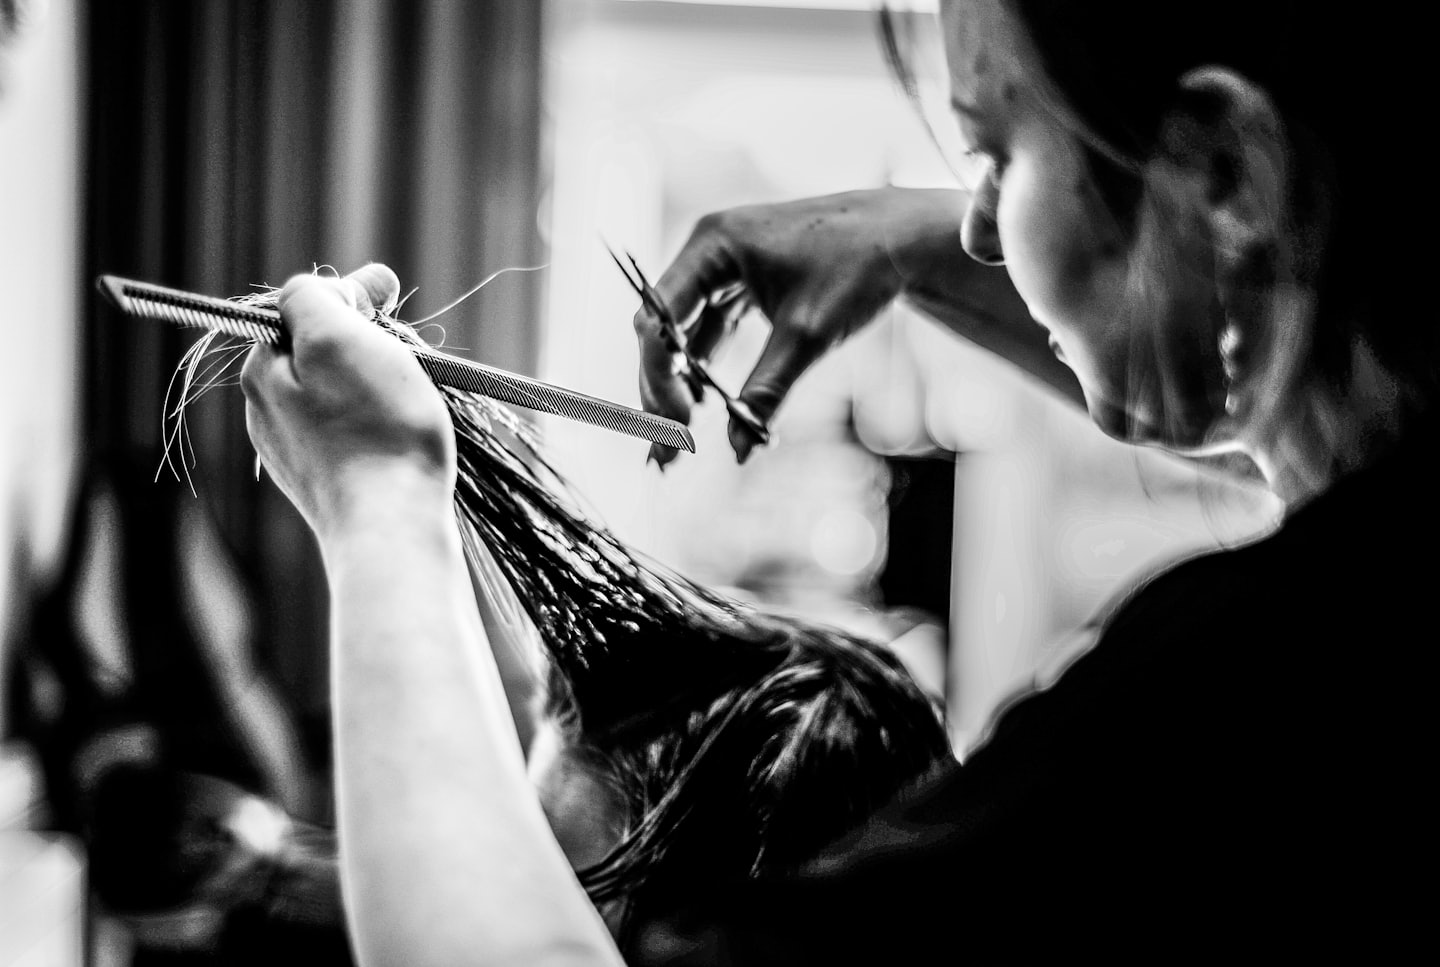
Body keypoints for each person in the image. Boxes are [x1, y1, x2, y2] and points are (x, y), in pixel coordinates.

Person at [240, 2, 1438, 964]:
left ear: (1226, 173)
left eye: (996, 152)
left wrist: (380, 503)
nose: (976, 229)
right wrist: (911, 247)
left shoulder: (1251, 700)